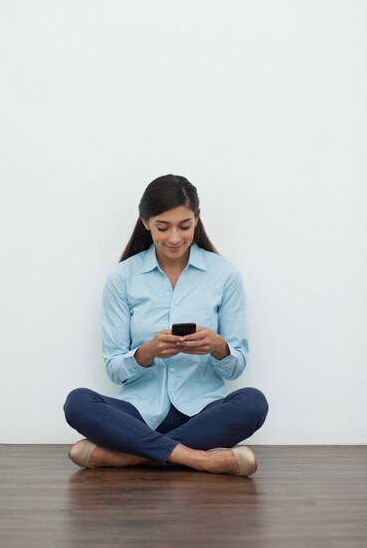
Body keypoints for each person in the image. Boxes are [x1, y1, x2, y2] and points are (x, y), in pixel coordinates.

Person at [63, 174, 268, 476]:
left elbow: (236, 366)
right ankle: (200, 459)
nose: (174, 238)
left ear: (197, 219)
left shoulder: (224, 276)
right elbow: (115, 369)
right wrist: (147, 352)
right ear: (145, 222)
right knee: (78, 403)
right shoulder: (123, 277)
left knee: (253, 402)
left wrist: (218, 347)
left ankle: (130, 456)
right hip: (137, 414)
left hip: (202, 412)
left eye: (184, 226)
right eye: (163, 227)